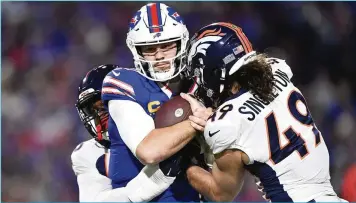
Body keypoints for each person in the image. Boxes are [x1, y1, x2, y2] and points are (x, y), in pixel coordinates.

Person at [184, 22, 346, 202]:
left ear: (213, 70)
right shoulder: (277, 69)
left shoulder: (224, 124)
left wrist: (186, 164)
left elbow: (221, 193)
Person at [101, 3, 211, 202]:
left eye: (167, 45)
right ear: (137, 51)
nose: (159, 55)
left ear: (181, 43)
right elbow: (149, 151)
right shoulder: (123, 82)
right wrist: (198, 122)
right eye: (150, 49)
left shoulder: (199, 85)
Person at [71, 64, 176, 202]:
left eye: (105, 105)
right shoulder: (88, 153)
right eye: (93, 110)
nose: (101, 116)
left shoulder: (158, 126)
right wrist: (151, 182)